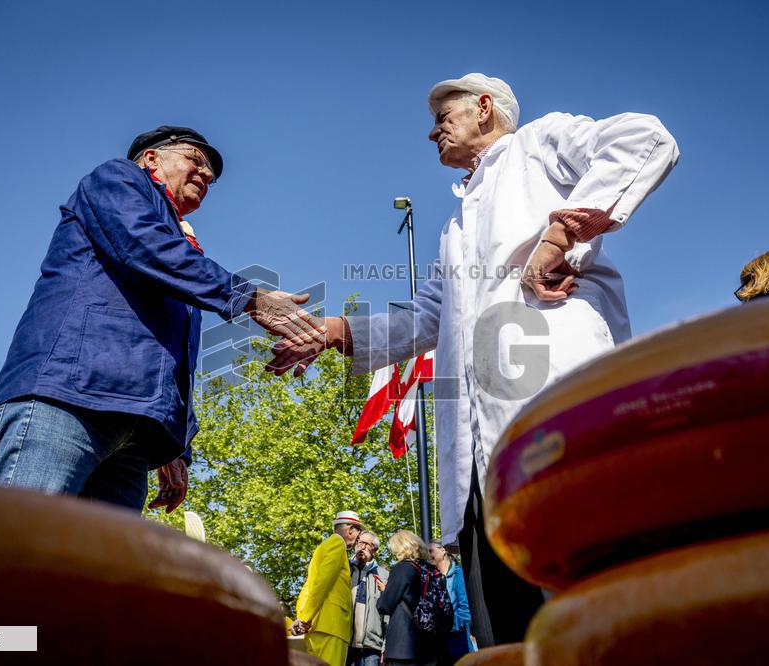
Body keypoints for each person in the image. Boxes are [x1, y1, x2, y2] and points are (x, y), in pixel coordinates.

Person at [268, 73, 680, 646]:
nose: (432, 132)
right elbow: (424, 322)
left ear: (485, 108)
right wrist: (330, 332)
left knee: (588, 617)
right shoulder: (455, 229)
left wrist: (562, 234)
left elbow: (646, 139)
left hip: (557, 424)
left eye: (443, 118)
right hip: (482, 466)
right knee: (506, 637)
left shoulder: (541, 144)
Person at [0, 125, 324, 514]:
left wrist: (176, 446)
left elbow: (177, 353)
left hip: (135, 435)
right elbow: (143, 245)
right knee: (14, 548)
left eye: (210, 174)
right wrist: (248, 297)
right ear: (151, 158)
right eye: (195, 159)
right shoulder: (117, 179)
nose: (206, 175)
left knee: (101, 571)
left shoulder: (185, 250)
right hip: (65, 400)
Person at [292, 511, 363, 665]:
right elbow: (322, 583)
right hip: (332, 628)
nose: (358, 540)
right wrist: (304, 618)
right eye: (358, 533)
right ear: (350, 530)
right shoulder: (338, 545)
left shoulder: (322, 548)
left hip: (319, 628)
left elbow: (310, 585)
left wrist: (302, 616)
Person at [376, 530, 436, 666]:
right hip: (430, 645)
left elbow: (384, 605)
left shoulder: (402, 568)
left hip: (403, 646)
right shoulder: (431, 570)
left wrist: (385, 591)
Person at [347, 530, 389, 666]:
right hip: (345, 644)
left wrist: (385, 646)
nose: (362, 547)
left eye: (367, 544)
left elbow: (388, 614)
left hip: (371, 648)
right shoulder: (344, 569)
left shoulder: (384, 575)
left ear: (375, 550)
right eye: (360, 542)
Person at [429, 540, 472, 664]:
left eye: (430, 551)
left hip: (458, 640)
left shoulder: (459, 574)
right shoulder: (432, 578)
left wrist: (449, 627)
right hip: (437, 641)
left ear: (443, 550)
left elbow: (465, 609)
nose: (427, 555)